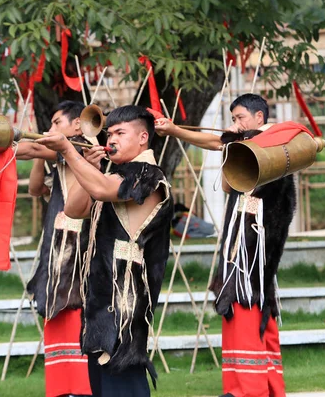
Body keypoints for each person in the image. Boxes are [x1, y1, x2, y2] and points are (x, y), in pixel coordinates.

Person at [155, 93, 295, 397]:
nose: (236, 123)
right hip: (237, 239)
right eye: (233, 118)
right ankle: (246, 386)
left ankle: (255, 388)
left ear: (260, 117)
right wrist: (176, 130)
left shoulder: (276, 143)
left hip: (259, 244)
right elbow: (211, 143)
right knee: (237, 299)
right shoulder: (237, 144)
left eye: (240, 117)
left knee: (253, 299)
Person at [36, 105, 174, 397]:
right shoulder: (114, 176)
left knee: (122, 383)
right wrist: (89, 166)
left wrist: (68, 151)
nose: (111, 140)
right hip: (100, 297)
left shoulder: (149, 175)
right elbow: (73, 209)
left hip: (124, 299)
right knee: (103, 384)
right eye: (109, 133)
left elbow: (101, 190)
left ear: (142, 138)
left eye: (120, 133)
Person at [16, 101, 93, 397]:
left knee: (75, 304)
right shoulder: (60, 154)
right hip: (57, 242)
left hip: (80, 244)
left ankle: (81, 386)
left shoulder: (85, 148)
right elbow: (36, 189)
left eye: (57, 123)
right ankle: (63, 386)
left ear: (77, 125)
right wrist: (40, 152)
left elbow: (28, 149)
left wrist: (35, 145)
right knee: (56, 304)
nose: (52, 129)